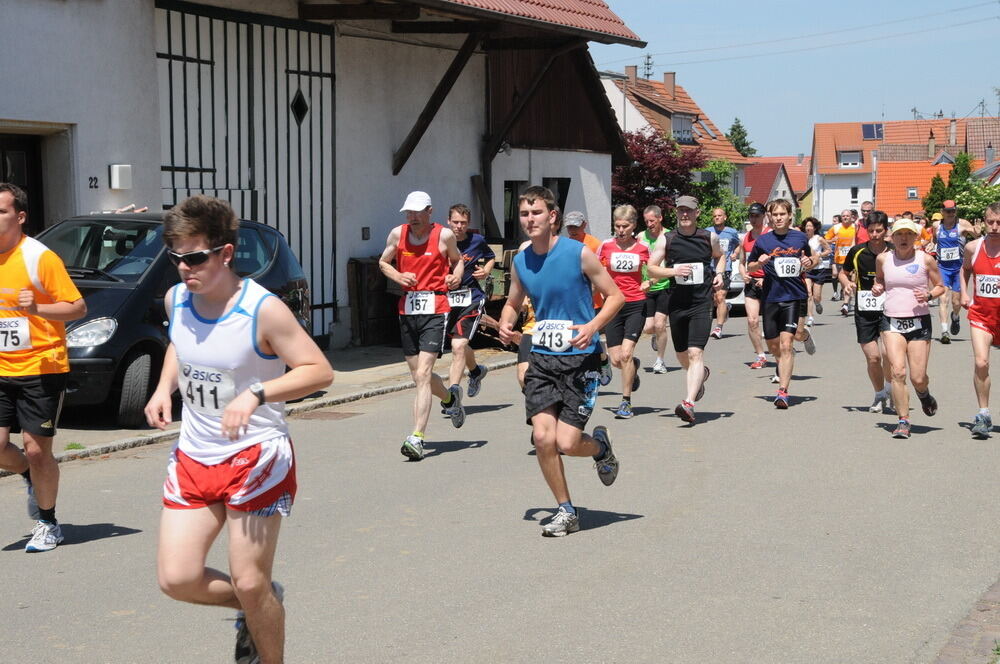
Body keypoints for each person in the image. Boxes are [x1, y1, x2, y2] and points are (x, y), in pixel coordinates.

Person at [144, 195, 334, 663]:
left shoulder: (262, 309)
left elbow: (318, 370)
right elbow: (181, 345)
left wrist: (257, 394)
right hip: (194, 455)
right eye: (176, 257)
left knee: (250, 579)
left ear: (225, 253)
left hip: (256, 455)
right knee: (177, 578)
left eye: (195, 257)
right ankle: (258, 605)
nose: (185, 268)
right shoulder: (178, 299)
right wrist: (163, 388)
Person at [499, 186, 624, 537]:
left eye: (536, 213)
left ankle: (600, 448)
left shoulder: (579, 253)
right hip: (542, 358)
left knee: (568, 443)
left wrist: (593, 326)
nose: (529, 220)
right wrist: (507, 320)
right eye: (524, 214)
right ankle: (566, 510)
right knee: (543, 438)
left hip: (580, 361)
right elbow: (513, 301)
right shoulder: (521, 260)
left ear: (552, 217)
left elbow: (615, 296)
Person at [0, 182, 86, 552]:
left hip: (41, 367)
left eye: (1, 211)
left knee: (37, 450)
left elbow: (78, 308)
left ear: (19, 216)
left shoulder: (39, 258)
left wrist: (35, 308)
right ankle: (28, 476)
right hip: (1, 368)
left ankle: (48, 523)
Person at [379, 191, 465, 461]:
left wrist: (456, 276)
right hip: (408, 310)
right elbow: (383, 262)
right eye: (409, 212)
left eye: (418, 212)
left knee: (425, 373)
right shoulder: (397, 234)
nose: (412, 217)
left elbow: (458, 260)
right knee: (419, 376)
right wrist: (398, 275)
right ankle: (450, 400)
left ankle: (417, 436)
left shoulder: (444, 236)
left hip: (435, 309)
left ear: (430, 211)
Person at [647, 195, 724, 423]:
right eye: (681, 210)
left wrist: (719, 274)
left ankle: (688, 403)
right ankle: (701, 376)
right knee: (682, 355)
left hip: (701, 302)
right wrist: (673, 272)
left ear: (697, 213)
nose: (684, 215)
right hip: (677, 304)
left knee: (695, 353)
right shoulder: (667, 240)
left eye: (689, 211)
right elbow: (651, 268)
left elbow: (720, 257)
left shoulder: (709, 237)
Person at [871, 218, 944, 438]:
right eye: (899, 234)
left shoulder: (926, 260)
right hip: (891, 320)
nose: (904, 238)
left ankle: (924, 395)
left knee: (918, 377)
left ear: (916, 237)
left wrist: (929, 294)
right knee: (898, 372)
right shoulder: (883, 258)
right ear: (892, 238)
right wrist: (877, 287)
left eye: (909, 234)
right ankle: (903, 420)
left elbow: (941, 286)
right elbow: (880, 280)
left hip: (919, 321)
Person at [747, 199, 818, 409]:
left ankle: (783, 392)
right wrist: (758, 264)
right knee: (774, 345)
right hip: (770, 297)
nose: (778, 218)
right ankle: (785, 359)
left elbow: (814, 259)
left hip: (793, 297)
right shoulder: (763, 241)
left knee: (787, 344)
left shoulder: (799, 238)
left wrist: (809, 262)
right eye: (774, 215)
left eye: (782, 214)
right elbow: (749, 267)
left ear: (789, 216)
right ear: (770, 217)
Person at [598, 205, 649, 418]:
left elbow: (651, 270)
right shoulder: (606, 246)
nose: (620, 230)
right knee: (617, 359)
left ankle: (626, 402)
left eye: (625, 226)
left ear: (634, 225)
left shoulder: (643, 248)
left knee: (627, 354)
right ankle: (633, 368)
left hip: (636, 303)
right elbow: (597, 271)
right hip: (613, 305)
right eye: (617, 226)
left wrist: (649, 281)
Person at [839, 212, 893, 413]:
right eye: (871, 231)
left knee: (889, 355)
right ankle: (879, 394)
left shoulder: (894, 251)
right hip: (865, 310)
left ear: (886, 231)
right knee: (873, 358)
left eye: (879, 230)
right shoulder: (857, 251)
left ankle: (891, 387)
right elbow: (843, 273)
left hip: (890, 309)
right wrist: (847, 284)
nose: (875, 234)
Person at [444, 204, 495, 400]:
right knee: (459, 344)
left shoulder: (477, 240)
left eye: (463, 223)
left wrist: (486, 270)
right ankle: (475, 371)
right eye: (455, 222)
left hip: (471, 298)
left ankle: (453, 393)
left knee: (458, 346)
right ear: (448, 221)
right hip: (447, 300)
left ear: (468, 223)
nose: (459, 226)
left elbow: (490, 257)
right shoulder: (441, 241)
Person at [960, 202, 1000, 438]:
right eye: (990, 222)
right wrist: (964, 293)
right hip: (982, 316)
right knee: (981, 363)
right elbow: (965, 270)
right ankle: (983, 413)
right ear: (983, 222)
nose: (994, 227)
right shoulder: (973, 248)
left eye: (999, 223)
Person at [933, 199, 978, 344]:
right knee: (943, 299)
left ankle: (956, 316)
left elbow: (978, 237)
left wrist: (977, 232)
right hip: (942, 267)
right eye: (947, 211)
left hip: (959, 269)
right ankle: (944, 331)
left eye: (953, 211)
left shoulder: (962, 224)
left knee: (956, 302)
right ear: (942, 212)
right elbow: (935, 241)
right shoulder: (936, 226)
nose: (950, 213)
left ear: (956, 211)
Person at [737, 202, 770, 369]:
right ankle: (761, 355)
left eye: (757, 215)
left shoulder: (771, 235)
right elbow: (742, 262)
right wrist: (743, 273)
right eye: (751, 215)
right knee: (752, 320)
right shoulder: (745, 238)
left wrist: (767, 277)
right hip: (752, 284)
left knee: (773, 323)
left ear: (764, 216)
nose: (753, 219)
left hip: (771, 283)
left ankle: (782, 349)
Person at [639, 205, 671, 373]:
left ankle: (660, 360)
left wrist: (653, 280)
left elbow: (667, 266)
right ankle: (655, 336)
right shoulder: (640, 237)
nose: (649, 224)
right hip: (646, 288)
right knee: (648, 327)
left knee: (660, 324)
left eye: (652, 220)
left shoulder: (668, 236)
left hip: (664, 285)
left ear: (660, 218)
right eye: (646, 221)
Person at [709, 207, 741, 339]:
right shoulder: (708, 231)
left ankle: (718, 328)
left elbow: (739, 245)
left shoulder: (731, 232)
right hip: (710, 268)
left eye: (719, 215)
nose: (717, 218)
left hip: (725, 268)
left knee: (720, 297)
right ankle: (726, 308)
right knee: (715, 299)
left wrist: (735, 253)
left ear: (725, 217)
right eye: (715, 216)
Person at [826, 210, 860, 313]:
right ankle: (848, 303)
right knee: (845, 283)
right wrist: (833, 240)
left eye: (847, 216)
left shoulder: (856, 227)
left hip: (852, 258)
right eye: (843, 216)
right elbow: (825, 239)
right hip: (840, 258)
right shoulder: (836, 228)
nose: (845, 217)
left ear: (851, 217)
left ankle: (848, 303)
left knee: (853, 280)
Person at [802, 217, 832, 326]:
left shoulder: (818, 239)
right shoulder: (802, 238)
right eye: (806, 226)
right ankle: (810, 317)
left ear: (814, 228)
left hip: (819, 270)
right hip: (807, 270)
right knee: (808, 293)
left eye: (810, 226)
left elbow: (829, 250)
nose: (808, 228)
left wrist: (819, 254)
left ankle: (818, 303)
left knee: (816, 296)